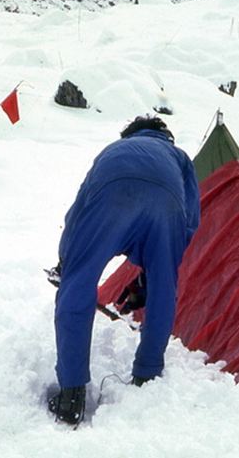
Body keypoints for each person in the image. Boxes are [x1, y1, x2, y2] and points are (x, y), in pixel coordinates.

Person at [48, 115, 200, 425]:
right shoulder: (179, 157)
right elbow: (189, 220)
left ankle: (71, 395)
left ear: (129, 135)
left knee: (78, 284)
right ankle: (147, 376)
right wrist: (158, 269)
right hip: (166, 205)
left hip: (112, 194)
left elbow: (79, 211)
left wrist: (68, 262)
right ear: (164, 135)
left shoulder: (114, 151)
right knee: (163, 292)